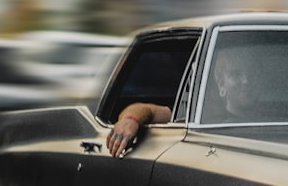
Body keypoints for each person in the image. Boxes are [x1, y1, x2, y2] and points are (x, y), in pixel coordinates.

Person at [106, 44, 256, 157]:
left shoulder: (277, 114)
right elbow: (147, 110)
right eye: (236, 75)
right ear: (221, 85)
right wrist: (130, 120)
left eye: (251, 73)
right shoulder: (202, 116)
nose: (246, 81)